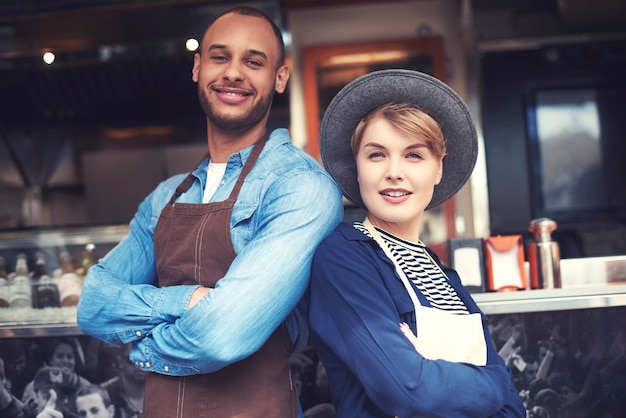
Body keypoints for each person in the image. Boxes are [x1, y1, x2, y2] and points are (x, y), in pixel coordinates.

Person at [76, 5, 343, 418]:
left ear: (280, 78)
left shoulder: (300, 187)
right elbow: (93, 305)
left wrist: (142, 348)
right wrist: (188, 302)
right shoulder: (165, 196)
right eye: (220, 57)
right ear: (197, 68)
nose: (234, 72)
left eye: (253, 61)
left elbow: (222, 334)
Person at [308, 69, 526, 417]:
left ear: (438, 169)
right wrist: (493, 383)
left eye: (414, 155)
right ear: (358, 167)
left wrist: (450, 378)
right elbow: (407, 390)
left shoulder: (446, 277)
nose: (394, 171)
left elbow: (514, 408)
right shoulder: (343, 259)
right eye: (377, 154)